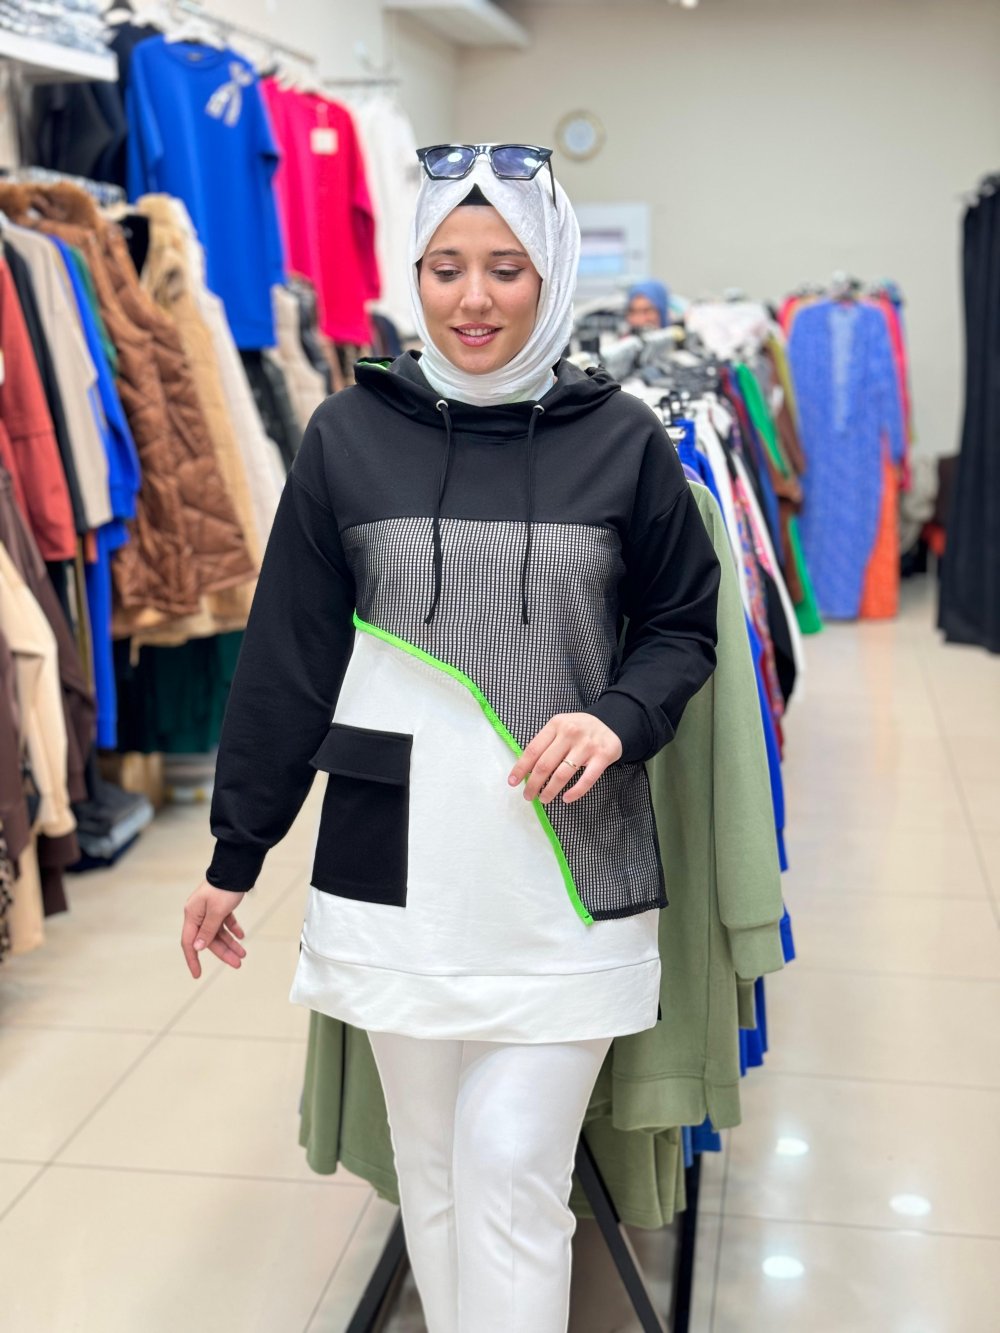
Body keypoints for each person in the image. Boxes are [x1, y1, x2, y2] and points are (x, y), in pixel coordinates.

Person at [181, 143, 721, 1333]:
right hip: (395, 861)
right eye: (445, 268)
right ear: (413, 276)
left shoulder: (622, 436)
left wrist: (617, 717)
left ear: (552, 272)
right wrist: (235, 852)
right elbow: (288, 659)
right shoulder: (344, 435)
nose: (472, 299)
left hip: (567, 867)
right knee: (429, 1171)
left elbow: (683, 626)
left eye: (505, 269)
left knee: (512, 1173)